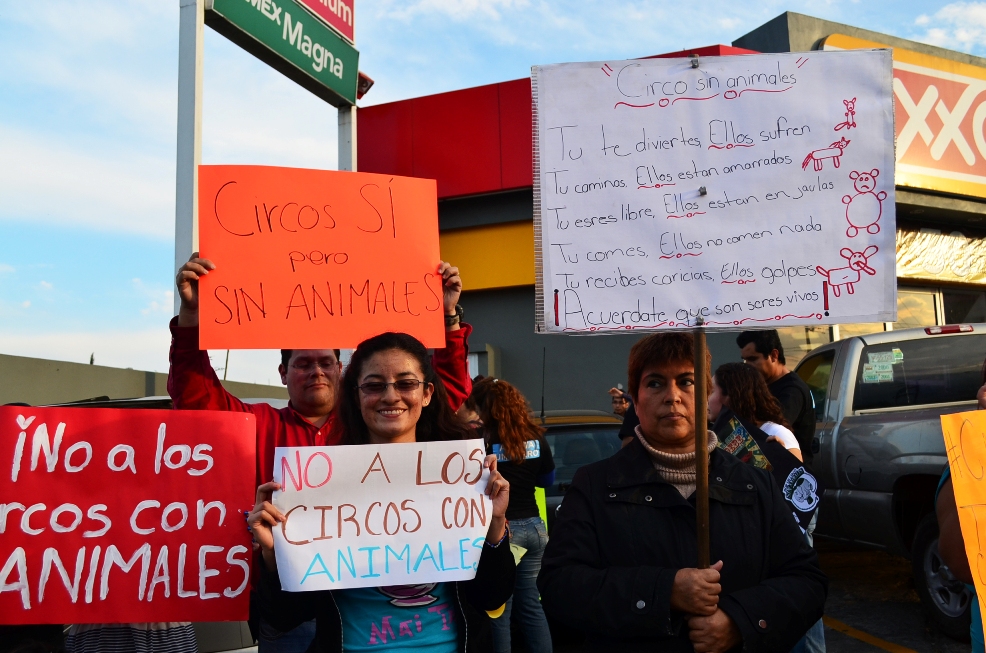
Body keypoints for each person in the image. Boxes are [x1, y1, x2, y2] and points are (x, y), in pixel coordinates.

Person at [167, 253, 473, 650]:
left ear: (341, 370)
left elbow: (443, 391)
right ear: (282, 374)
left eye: (327, 362)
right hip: (287, 604)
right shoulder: (256, 424)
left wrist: (448, 318)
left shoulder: (373, 423)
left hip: (365, 606)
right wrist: (192, 319)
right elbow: (196, 399)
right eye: (303, 363)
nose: (317, 371)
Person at [538, 332, 827, 652]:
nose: (672, 395)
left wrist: (739, 621)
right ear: (634, 398)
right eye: (655, 383)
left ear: (706, 395)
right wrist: (664, 592)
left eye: (687, 381)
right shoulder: (594, 484)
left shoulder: (755, 483)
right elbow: (559, 586)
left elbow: (806, 582)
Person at [248, 332, 516, 652]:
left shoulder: (463, 479)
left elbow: (493, 595)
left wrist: (495, 524)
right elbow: (285, 616)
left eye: (406, 383)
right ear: (357, 395)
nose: (391, 396)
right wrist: (272, 556)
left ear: (427, 393)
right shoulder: (317, 486)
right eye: (374, 385)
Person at [465, 377, 555, 653]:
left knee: (499, 611)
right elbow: (547, 481)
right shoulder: (536, 437)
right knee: (531, 606)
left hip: (503, 533)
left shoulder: (482, 443)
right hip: (536, 530)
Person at [736, 330, 815, 467]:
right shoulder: (763, 384)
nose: (747, 366)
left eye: (753, 359)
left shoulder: (792, 391)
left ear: (773, 355)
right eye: (745, 360)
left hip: (790, 473)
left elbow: (772, 428)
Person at [708, 363, 802, 462]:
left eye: (711, 391)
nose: (705, 398)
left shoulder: (776, 433)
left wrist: (780, 459)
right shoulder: (716, 438)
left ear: (732, 395)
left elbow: (800, 475)